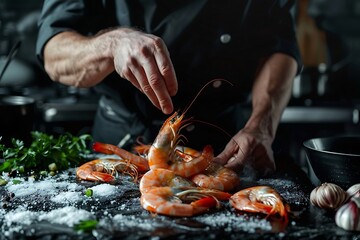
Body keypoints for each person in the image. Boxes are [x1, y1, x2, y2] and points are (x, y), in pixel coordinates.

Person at [36, 0, 301, 176]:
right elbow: (53, 52)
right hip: (125, 136)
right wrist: (112, 44)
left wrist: (261, 126)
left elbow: (279, 47)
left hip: (228, 147)